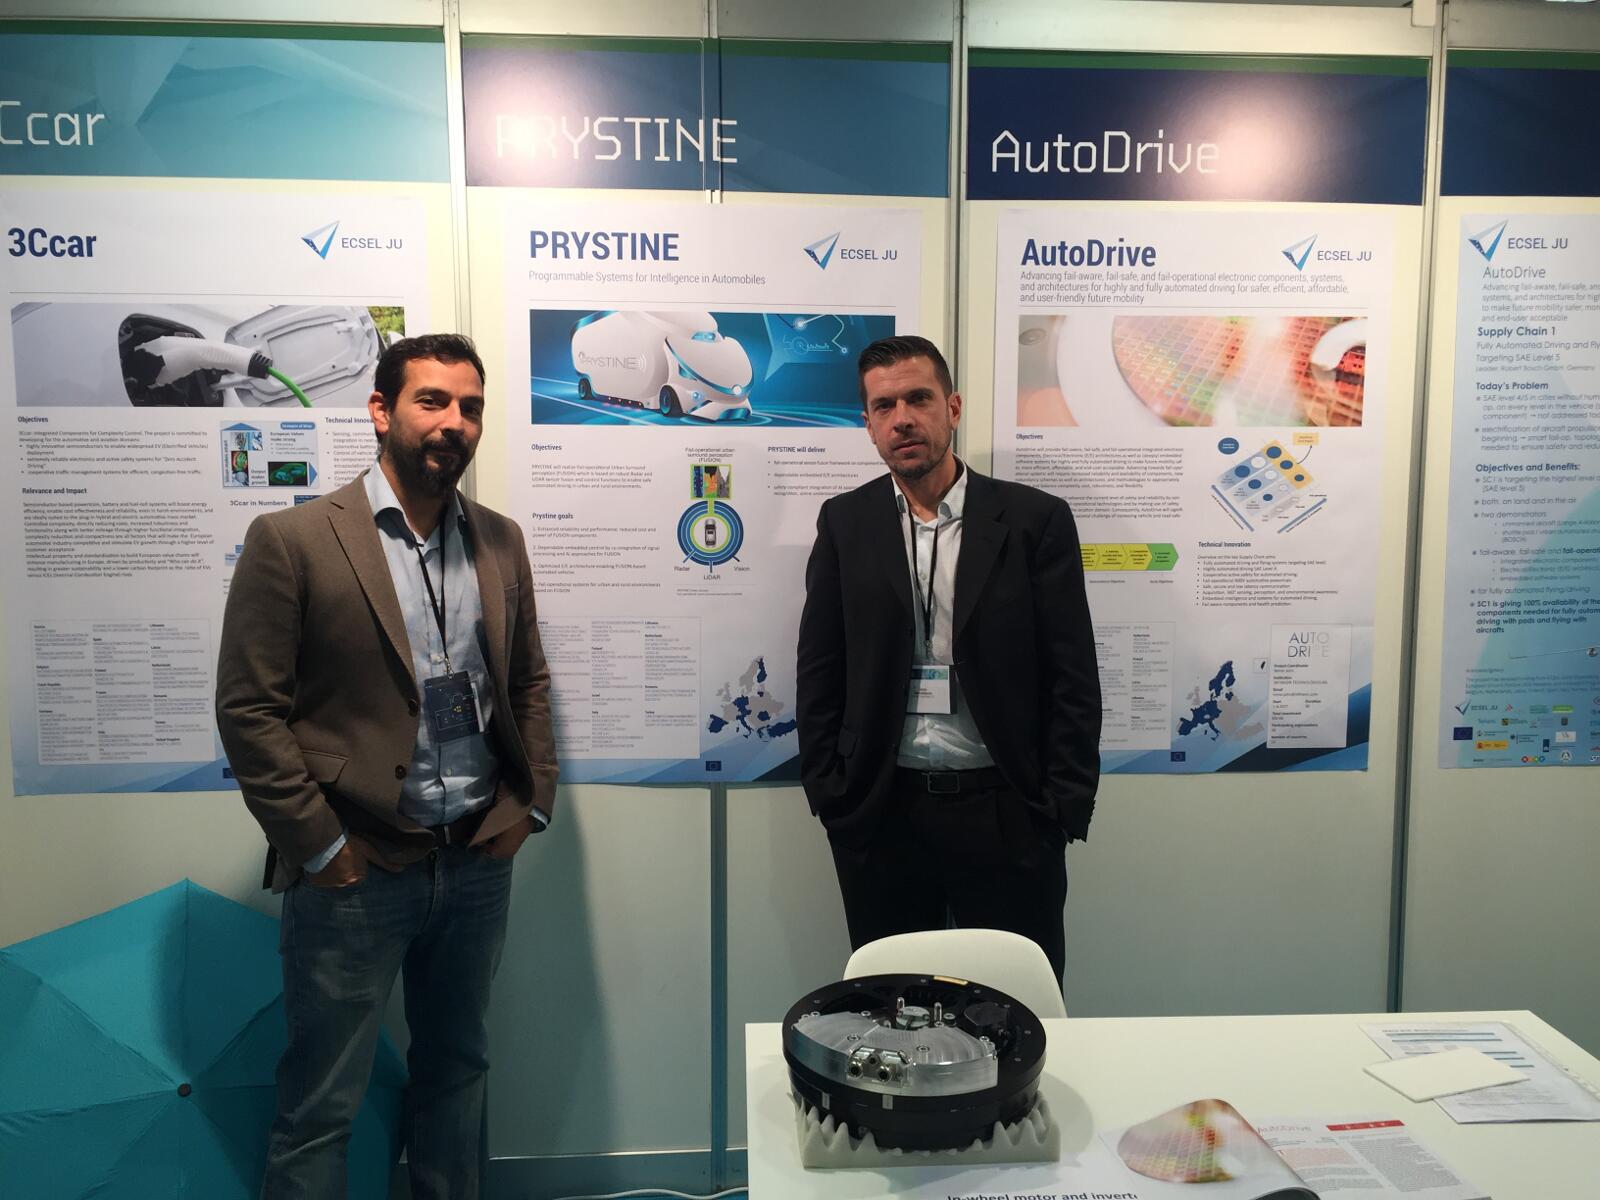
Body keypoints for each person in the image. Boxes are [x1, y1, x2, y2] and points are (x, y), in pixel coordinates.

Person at [215, 333, 557, 1200]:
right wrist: (321, 847)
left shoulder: (501, 541)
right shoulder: (294, 539)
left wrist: (529, 805)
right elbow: (249, 710)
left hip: (474, 859)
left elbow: (527, 682)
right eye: (431, 400)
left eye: (470, 407)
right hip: (357, 868)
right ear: (381, 410)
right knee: (322, 1100)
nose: (453, 422)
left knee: (458, 1073)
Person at [796, 334, 1101, 984]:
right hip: (883, 811)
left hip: (1006, 811)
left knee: (1013, 1007)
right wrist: (831, 792)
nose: (902, 418)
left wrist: (1059, 807)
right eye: (883, 406)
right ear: (868, 424)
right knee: (893, 1009)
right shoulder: (845, 523)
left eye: (918, 399)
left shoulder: (1033, 521)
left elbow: (1073, 674)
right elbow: (820, 667)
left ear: (953, 407)